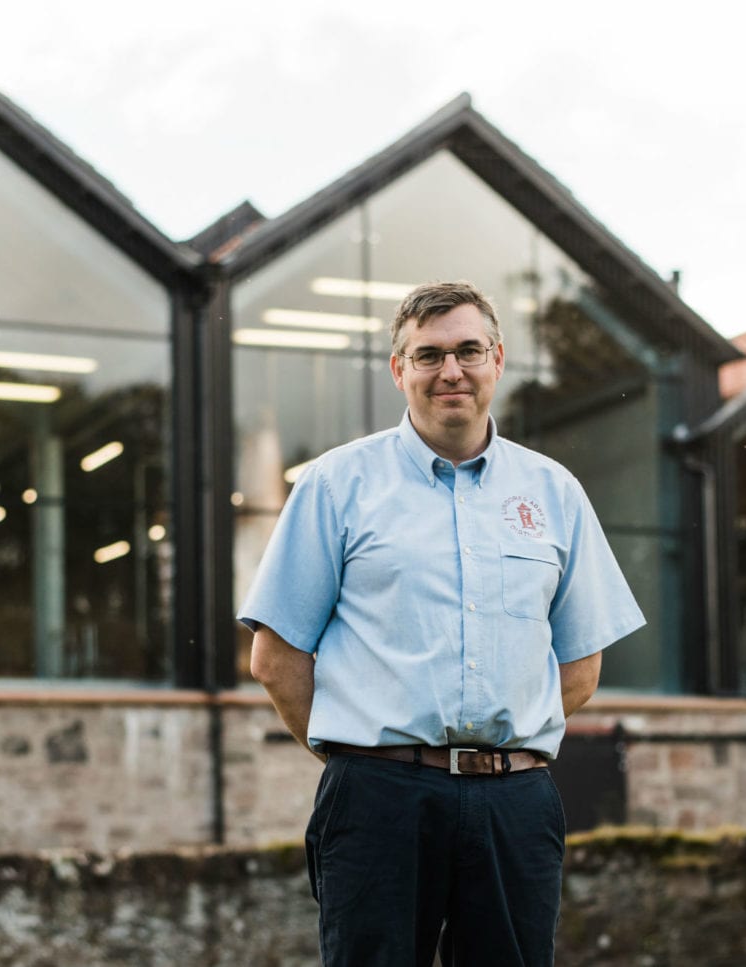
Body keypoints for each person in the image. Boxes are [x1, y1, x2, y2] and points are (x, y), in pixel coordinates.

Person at [239, 280, 644, 966]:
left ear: (497, 359)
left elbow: (580, 666)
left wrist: (498, 741)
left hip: (515, 801)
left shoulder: (555, 493)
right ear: (399, 370)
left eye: (467, 350)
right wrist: (368, 754)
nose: (450, 370)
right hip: (377, 801)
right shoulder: (336, 485)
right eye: (428, 355)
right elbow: (275, 659)